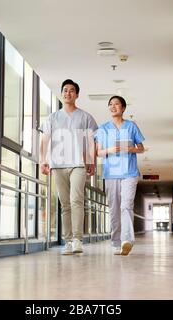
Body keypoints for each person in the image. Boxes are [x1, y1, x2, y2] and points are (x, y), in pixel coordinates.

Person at [40, 79, 98, 255]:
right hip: (58, 165)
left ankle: (78, 240)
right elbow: (44, 140)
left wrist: (91, 161)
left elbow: (90, 141)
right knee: (65, 204)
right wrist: (43, 160)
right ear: (62, 94)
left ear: (77, 95)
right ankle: (68, 242)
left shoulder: (86, 117)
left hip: (78, 164)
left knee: (76, 200)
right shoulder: (53, 117)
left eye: (71, 91)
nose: (67, 93)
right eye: (65, 91)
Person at [95, 96, 145, 255]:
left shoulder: (131, 126)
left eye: (116, 104)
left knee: (126, 205)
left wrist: (130, 149)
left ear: (123, 108)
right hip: (111, 173)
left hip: (129, 172)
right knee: (114, 208)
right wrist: (110, 150)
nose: (113, 106)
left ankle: (127, 240)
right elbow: (98, 152)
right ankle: (116, 242)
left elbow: (141, 148)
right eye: (110, 104)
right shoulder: (103, 128)